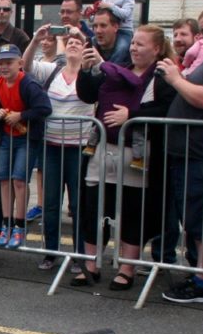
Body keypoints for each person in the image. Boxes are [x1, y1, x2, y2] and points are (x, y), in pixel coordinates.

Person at [71, 25, 177, 290]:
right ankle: (91, 264)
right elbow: (88, 94)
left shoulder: (164, 75)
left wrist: (132, 115)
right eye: (133, 43)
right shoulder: (118, 68)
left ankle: (127, 268)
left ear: (157, 48)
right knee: (94, 207)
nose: (134, 48)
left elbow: (167, 109)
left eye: (141, 44)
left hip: (138, 155)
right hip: (103, 149)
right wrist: (85, 71)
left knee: (133, 210)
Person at [156, 4, 203, 304]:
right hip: (192, 152)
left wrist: (177, 78)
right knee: (195, 218)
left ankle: (202, 283)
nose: (202, 37)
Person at [23, 26, 95, 270]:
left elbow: (106, 70)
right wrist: (35, 39)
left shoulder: (90, 72)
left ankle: (79, 255)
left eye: (78, 42)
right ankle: (50, 253)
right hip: (52, 146)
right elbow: (26, 66)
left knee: (77, 204)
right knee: (51, 202)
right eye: (70, 41)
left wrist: (86, 38)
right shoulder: (52, 70)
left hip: (79, 148)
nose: (73, 44)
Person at [0, 43, 51, 250]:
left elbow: (44, 108)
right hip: (6, 137)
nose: (4, 67)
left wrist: (21, 115)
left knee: (19, 180)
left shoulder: (28, 84)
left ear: (20, 63)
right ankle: (6, 224)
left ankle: (19, 226)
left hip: (27, 139)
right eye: (1, 63)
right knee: (3, 180)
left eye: (9, 62)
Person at [97, 0, 135, 64]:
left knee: (122, 48)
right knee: (93, 41)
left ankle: (110, 67)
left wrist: (110, 6)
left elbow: (125, 14)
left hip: (124, 31)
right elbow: (101, 15)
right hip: (109, 30)